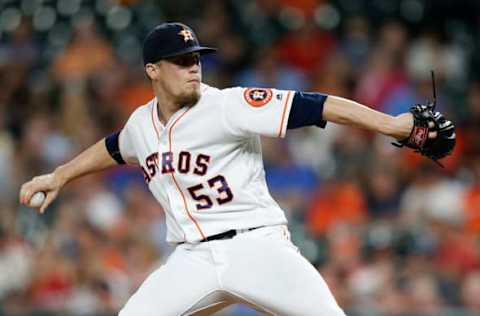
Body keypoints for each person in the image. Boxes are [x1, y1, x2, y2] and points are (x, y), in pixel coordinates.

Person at [19, 22, 430, 316]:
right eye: (180, 60)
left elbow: (316, 104)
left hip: (257, 247)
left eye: (196, 57)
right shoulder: (140, 125)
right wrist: (60, 175)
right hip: (191, 258)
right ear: (153, 70)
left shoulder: (227, 105)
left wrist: (391, 124)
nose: (193, 66)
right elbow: (114, 148)